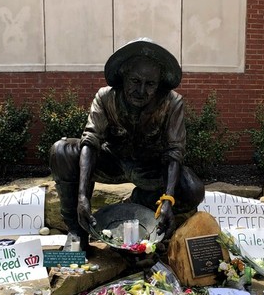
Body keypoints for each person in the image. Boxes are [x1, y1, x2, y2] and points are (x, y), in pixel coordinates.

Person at [49, 38, 205, 250]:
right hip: (112, 161)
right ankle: (77, 232)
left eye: (150, 84)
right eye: (135, 81)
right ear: (123, 77)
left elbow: (174, 152)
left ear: (159, 84)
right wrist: (83, 196)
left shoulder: (172, 103)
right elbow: (91, 141)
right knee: (62, 150)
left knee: (193, 189)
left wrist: (167, 199)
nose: (141, 91)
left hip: (150, 169)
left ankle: (141, 203)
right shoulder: (105, 98)